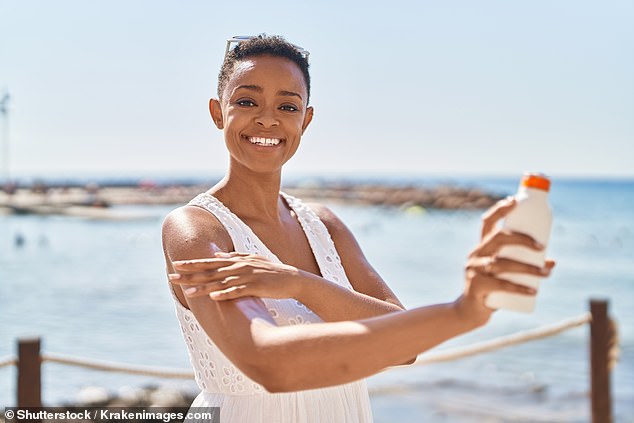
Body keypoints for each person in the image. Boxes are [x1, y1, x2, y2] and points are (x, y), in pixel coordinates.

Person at [162, 35, 555, 423]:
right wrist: (462, 312)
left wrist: (298, 283)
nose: (268, 118)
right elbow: (269, 364)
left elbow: (404, 349)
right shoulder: (195, 229)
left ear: (307, 119)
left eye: (288, 105)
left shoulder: (323, 225)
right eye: (247, 101)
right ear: (218, 112)